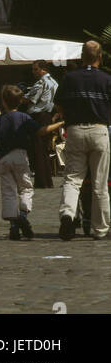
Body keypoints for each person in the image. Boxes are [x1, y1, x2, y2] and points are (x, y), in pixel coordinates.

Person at [46, 40, 111, 241]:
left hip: (75, 130)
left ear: (82, 57)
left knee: (73, 179)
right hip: (99, 130)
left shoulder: (69, 78)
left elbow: (58, 106)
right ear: (100, 57)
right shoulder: (107, 79)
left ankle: (68, 215)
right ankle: (100, 229)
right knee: (100, 183)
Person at [0, 85, 38, 240]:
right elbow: (37, 131)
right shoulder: (24, 117)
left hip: (4, 158)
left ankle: (13, 225)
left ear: (3, 101)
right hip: (20, 155)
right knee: (25, 187)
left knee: (9, 191)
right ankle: (22, 214)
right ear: (21, 101)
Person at [20, 59, 59, 189]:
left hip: (38, 117)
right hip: (47, 116)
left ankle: (42, 181)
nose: (33, 72)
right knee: (44, 149)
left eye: (35, 69)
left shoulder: (41, 83)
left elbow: (30, 100)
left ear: (43, 69)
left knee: (38, 149)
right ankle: (46, 180)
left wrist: (19, 95)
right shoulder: (54, 82)